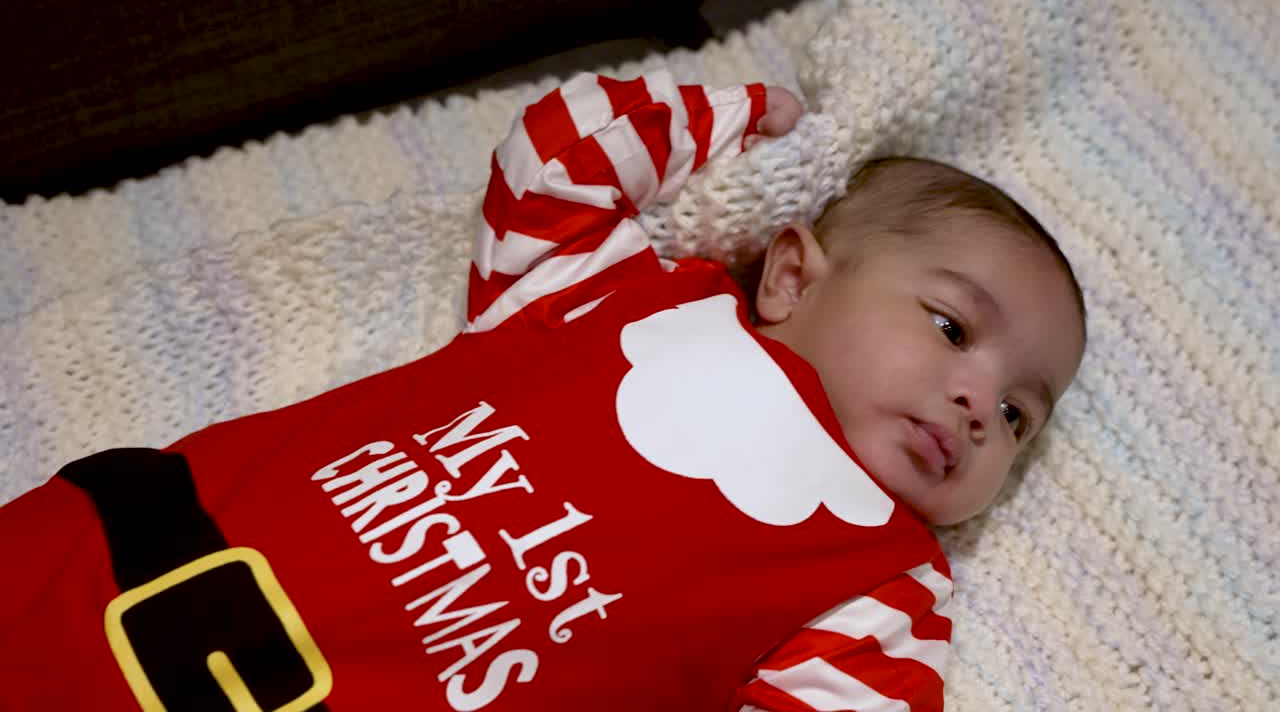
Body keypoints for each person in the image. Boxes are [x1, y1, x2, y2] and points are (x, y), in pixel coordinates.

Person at [0, 71, 1085, 712]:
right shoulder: (618, 293)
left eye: (1017, 416)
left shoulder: (885, 587)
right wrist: (759, 115)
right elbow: (552, 160)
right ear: (792, 272)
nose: (973, 406)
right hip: (146, 548)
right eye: (948, 329)